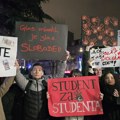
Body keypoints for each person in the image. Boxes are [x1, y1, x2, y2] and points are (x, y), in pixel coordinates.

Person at [15, 51, 70, 120]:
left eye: (39, 70)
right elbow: (17, 74)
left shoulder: (48, 84)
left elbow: (59, 76)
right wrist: (15, 65)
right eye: (34, 70)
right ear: (31, 73)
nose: (37, 72)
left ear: (42, 73)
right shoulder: (26, 84)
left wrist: (63, 61)